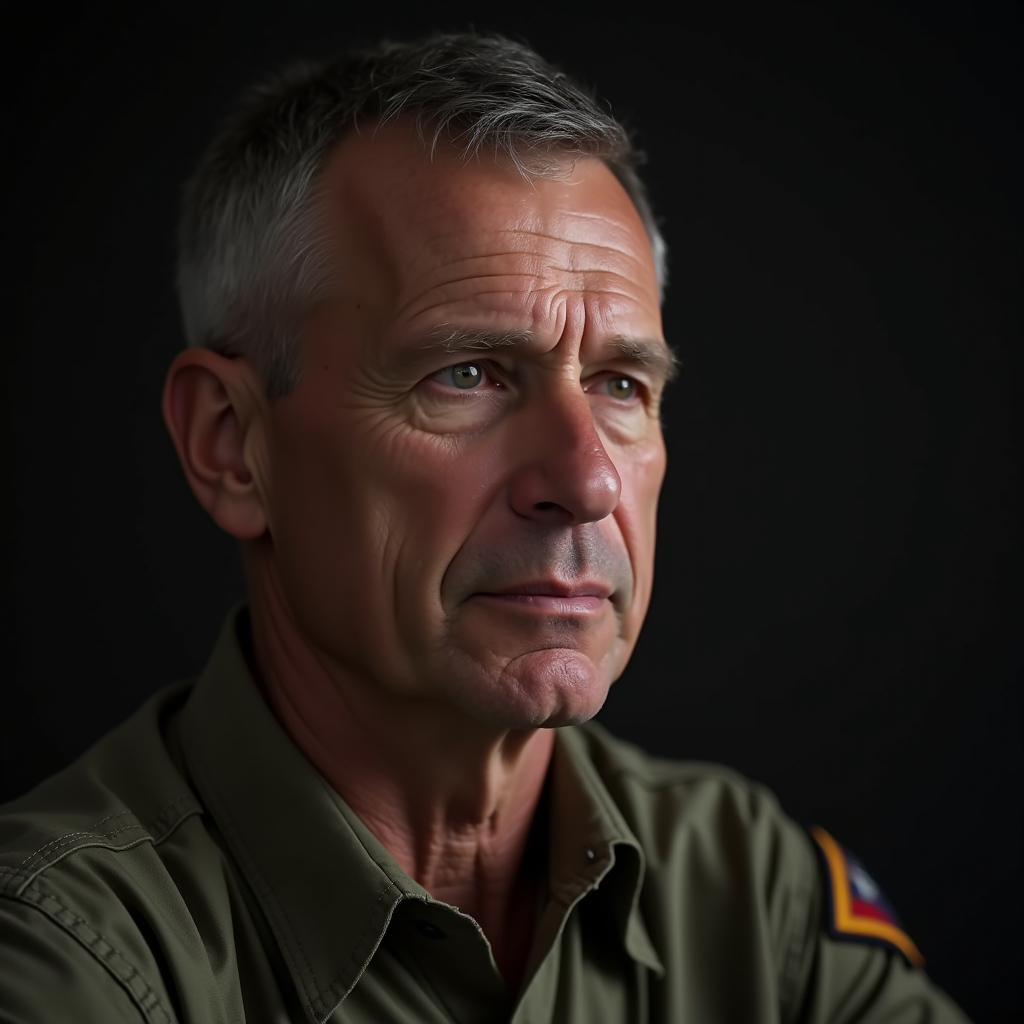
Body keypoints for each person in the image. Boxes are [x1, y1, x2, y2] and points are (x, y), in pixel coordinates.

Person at [0, 32, 970, 1023]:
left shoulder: (753, 896)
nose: (587, 479)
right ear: (231, 445)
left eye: (620, 384)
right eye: (466, 374)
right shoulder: (60, 956)